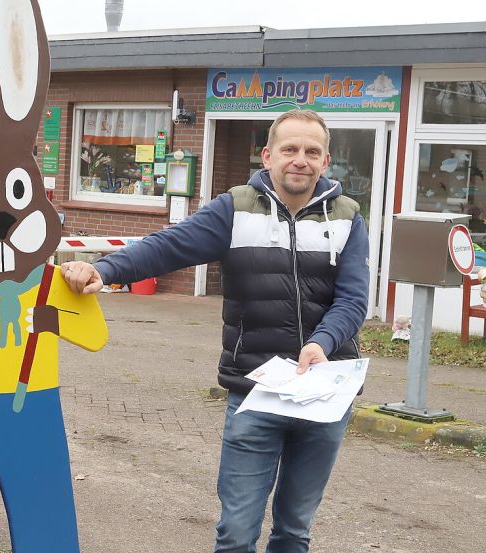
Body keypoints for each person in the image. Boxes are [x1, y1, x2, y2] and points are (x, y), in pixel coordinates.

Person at [62, 109, 369, 553]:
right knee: (237, 533)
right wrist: (105, 268)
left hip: (323, 394)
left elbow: (353, 299)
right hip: (255, 391)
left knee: (294, 531)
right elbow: (167, 247)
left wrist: (321, 343)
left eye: (311, 151)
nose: (300, 159)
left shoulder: (347, 217)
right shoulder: (236, 208)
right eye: (289, 149)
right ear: (268, 156)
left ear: (325, 161)